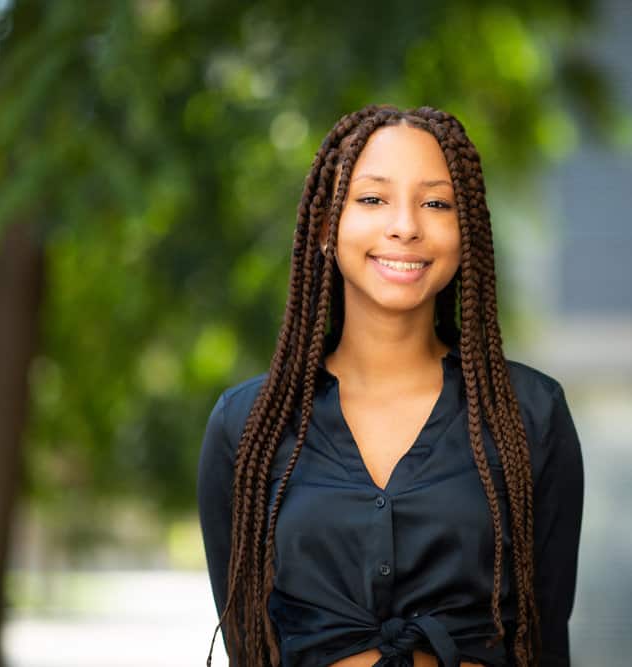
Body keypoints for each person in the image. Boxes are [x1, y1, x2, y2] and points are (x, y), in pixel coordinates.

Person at [197, 104, 584, 667]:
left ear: (465, 231)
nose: (405, 225)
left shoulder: (530, 415)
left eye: (435, 202)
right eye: (373, 199)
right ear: (328, 227)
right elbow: (248, 646)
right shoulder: (247, 426)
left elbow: (545, 640)